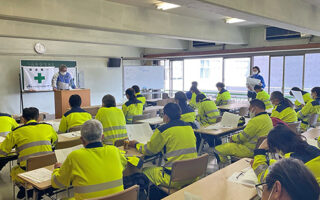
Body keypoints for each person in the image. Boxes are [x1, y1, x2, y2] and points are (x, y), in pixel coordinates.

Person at [52, 120, 142, 199]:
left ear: (82, 140)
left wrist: (57, 169)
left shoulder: (74, 156)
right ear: (102, 137)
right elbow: (124, 165)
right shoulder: (114, 151)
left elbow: (58, 184)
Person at [128, 103, 197, 189]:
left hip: (174, 178)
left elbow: (149, 150)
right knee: (159, 168)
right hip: (193, 174)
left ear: (166, 116)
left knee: (144, 171)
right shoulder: (188, 127)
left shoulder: (163, 130)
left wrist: (136, 144)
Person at [0, 107, 58, 199]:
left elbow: (3, 152)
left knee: (13, 171)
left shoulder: (16, 132)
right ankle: (39, 190)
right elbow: (54, 142)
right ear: (38, 117)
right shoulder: (48, 128)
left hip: (27, 171)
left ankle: (26, 190)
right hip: (48, 168)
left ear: (22, 118)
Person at [252, 125, 320, 185]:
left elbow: (265, 179)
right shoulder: (314, 150)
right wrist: (270, 162)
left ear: (277, 147)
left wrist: (259, 151)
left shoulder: (289, 164)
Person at [214, 99, 273, 163]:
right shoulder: (268, 118)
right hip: (262, 149)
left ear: (254, 108)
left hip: (249, 150)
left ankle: (225, 167)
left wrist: (233, 137)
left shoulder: (255, 121)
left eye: (250, 109)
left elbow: (242, 137)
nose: (249, 111)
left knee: (218, 149)